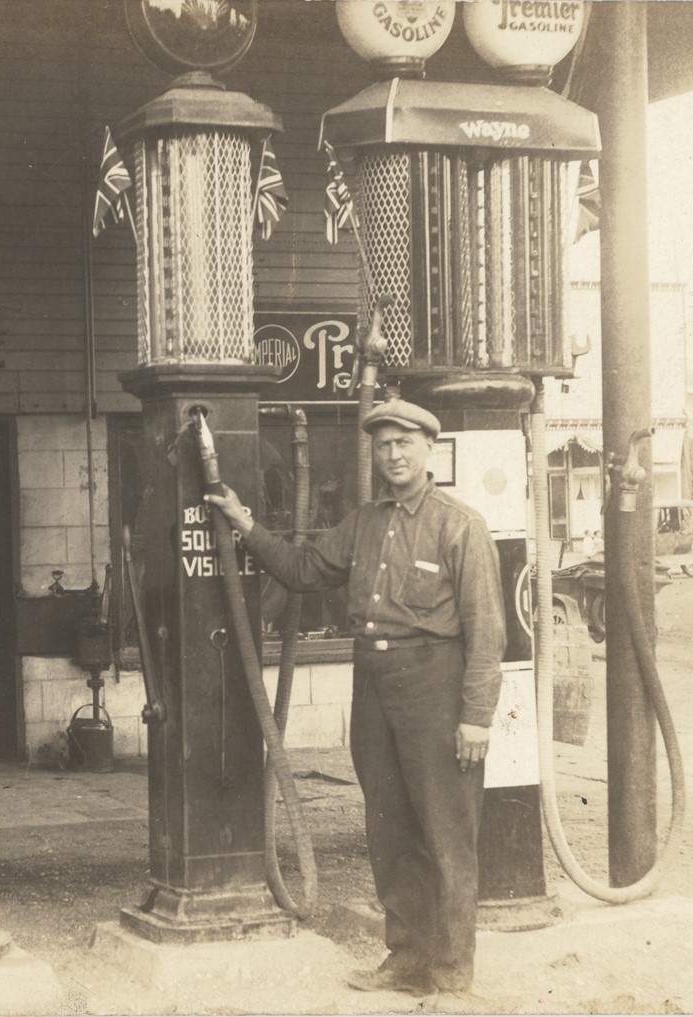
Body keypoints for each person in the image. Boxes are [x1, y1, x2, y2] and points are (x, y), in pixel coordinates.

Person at [205, 398, 505, 997]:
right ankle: (405, 958)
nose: (393, 454)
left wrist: (475, 718)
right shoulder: (365, 522)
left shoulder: (459, 524)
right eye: (384, 444)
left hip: (436, 688)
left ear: (429, 450)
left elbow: (487, 631)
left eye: (405, 444)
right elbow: (305, 568)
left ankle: (450, 975)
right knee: (389, 829)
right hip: (372, 686)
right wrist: (246, 524)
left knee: (445, 832)